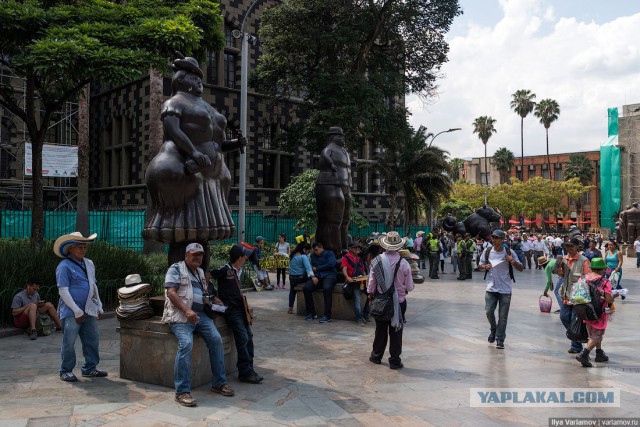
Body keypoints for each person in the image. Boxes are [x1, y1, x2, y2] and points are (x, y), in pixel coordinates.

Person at [143, 54, 246, 253]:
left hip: (211, 176)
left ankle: (201, 280)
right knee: (182, 233)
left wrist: (235, 143)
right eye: (193, 77)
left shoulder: (206, 106)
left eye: (199, 77)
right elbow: (173, 129)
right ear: (182, 81)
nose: (199, 80)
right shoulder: (175, 102)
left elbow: (216, 143)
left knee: (202, 237)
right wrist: (193, 152)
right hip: (183, 170)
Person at [162, 242, 234, 407]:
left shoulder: (200, 272)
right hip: (181, 316)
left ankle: (219, 383)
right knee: (186, 343)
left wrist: (214, 300)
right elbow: (171, 292)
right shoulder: (175, 269)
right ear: (186, 255)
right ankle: (182, 392)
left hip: (200, 315)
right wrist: (187, 311)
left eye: (200, 255)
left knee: (216, 339)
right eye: (194, 255)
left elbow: (203, 292)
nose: (197, 258)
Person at [53, 232, 106, 382]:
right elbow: (62, 290)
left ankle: (90, 368)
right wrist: (76, 311)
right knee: (69, 341)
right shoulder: (63, 266)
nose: (83, 250)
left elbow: (93, 286)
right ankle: (65, 370)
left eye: (84, 247)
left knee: (92, 339)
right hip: (71, 311)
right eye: (79, 247)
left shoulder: (89, 263)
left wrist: (99, 306)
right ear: (70, 249)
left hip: (89, 308)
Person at [211, 244, 264, 385]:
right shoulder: (225, 269)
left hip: (241, 309)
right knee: (243, 337)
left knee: (249, 337)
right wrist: (212, 295)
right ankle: (244, 371)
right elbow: (206, 276)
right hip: (232, 310)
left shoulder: (238, 271)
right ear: (239, 257)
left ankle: (249, 368)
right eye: (244, 255)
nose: (246, 258)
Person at [367, 231, 414, 369]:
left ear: (384, 245)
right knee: (396, 331)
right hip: (399, 303)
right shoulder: (404, 263)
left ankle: (376, 356)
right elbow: (410, 287)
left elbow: (371, 284)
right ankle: (394, 360)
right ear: (399, 246)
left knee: (380, 330)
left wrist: (371, 295)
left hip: (380, 301)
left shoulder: (376, 261)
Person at [478, 229, 523, 349]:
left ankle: (500, 339)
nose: (494, 239)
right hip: (491, 288)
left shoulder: (509, 252)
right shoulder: (487, 251)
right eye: (493, 237)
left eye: (497, 237)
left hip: (505, 289)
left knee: (503, 317)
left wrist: (511, 261)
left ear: (503, 240)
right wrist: (485, 266)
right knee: (488, 311)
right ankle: (493, 329)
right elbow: (480, 265)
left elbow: (521, 268)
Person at [315, 127, 353, 254]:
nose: (343, 138)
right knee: (333, 220)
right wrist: (330, 163)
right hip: (331, 184)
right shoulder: (328, 150)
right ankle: (334, 250)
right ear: (332, 137)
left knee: (345, 220)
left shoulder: (344, 152)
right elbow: (324, 157)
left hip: (345, 188)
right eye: (339, 136)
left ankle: (344, 248)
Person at [575, 258, 617, 367]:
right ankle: (584, 354)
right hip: (598, 312)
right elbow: (608, 300)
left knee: (592, 334)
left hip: (585, 310)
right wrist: (614, 296)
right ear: (602, 269)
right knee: (597, 335)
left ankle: (599, 353)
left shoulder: (582, 278)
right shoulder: (604, 281)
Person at [554, 237, 592, 354]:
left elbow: (588, 277)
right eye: (567, 246)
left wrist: (580, 282)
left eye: (571, 246)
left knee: (574, 319)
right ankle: (576, 338)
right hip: (566, 293)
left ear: (577, 247)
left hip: (579, 296)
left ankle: (576, 345)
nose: (569, 248)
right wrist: (556, 267)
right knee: (564, 317)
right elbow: (561, 274)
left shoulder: (584, 260)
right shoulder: (563, 259)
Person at [304, 242, 337, 323]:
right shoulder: (313, 256)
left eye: (316, 250)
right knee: (306, 287)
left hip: (329, 275)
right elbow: (310, 267)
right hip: (318, 276)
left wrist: (318, 269)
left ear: (321, 248)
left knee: (327, 288)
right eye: (314, 250)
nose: (315, 252)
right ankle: (311, 313)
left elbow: (331, 264)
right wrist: (313, 275)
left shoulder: (329, 253)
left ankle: (327, 315)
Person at [341, 241, 370, 326]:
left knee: (371, 294)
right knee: (357, 299)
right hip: (353, 282)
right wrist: (347, 277)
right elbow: (344, 269)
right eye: (354, 247)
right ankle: (359, 318)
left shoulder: (359, 258)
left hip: (362, 281)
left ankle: (365, 314)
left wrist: (366, 278)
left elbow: (363, 270)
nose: (356, 249)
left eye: (357, 247)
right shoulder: (346, 258)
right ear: (349, 249)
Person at [287, 242, 315, 314]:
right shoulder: (303, 257)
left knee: (292, 291)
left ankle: (290, 308)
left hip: (291, 278)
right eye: (308, 251)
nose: (308, 253)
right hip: (300, 278)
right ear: (304, 249)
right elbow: (308, 268)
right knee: (308, 276)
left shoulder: (293, 255)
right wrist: (313, 277)